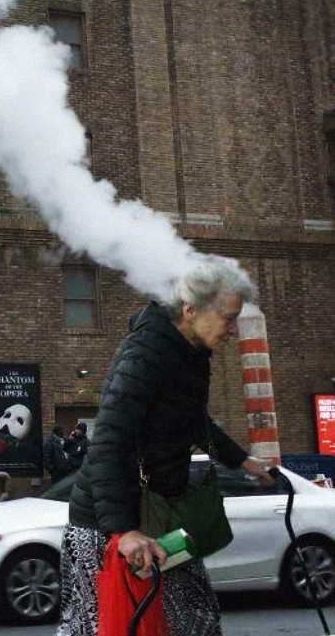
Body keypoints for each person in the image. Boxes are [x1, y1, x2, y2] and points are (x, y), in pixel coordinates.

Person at [58, 255, 274, 636]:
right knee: (99, 627)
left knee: (197, 621)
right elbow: (108, 441)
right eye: (228, 317)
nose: (235, 331)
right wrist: (122, 532)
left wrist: (243, 462)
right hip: (108, 524)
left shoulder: (190, 354)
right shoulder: (146, 354)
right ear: (190, 309)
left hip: (160, 517)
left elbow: (191, 419)